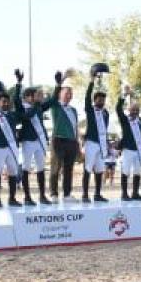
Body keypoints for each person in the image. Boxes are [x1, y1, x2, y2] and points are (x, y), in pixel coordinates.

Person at [13, 69, 54, 206]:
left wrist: (58, 84)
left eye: (36, 96)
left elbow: (52, 101)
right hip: (28, 142)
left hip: (39, 141)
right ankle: (27, 196)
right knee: (26, 168)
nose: (37, 98)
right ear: (27, 97)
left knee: (41, 168)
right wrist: (19, 82)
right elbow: (15, 99)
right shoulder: (22, 107)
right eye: (34, 95)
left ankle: (42, 195)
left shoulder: (38, 107)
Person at [116, 85, 141, 201]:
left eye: (137, 110)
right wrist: (124, 95)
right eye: (133, 109)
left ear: (139, 111)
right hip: (128, 149)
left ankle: (135, 193)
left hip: (139, 151)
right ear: (129, 110)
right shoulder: (125, 120)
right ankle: (124, 193)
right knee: (126, 171)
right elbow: (118, 109)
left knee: (137, 172)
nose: (134, 112)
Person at [47, 71, 79, 203]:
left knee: (68, 169)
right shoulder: (55, 106)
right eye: (66, 93)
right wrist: (59, 83)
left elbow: (75, 127)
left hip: (71, 141)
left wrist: (78, 143)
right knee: (56, 167)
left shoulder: (73, 110)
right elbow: (54, 97)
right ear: (60, 94)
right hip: (58, 139)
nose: (68, 96)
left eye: (70, 94)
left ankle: (67, 194)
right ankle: (53, 193)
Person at [81, 70, 110, 203]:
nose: (101, 101)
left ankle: (97, 194)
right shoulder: (90, 110)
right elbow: (87, 97)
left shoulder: (106, 113)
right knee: (87, 168)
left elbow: (105, 129)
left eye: (103, 99)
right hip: (91, 143)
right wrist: (92, 82)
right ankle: (85, 194)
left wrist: (107, 143)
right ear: (94, 100)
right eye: (99, 99)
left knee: (99, 169)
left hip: (102, 144)